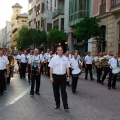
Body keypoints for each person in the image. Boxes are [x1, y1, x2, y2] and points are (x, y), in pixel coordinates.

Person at [48, 46, 70, 110]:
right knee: (56, 91)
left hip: (63, 76)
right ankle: (57, 104)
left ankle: (65, 105)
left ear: (63, 51)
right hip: (55, 76)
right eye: (58, 50)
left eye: (61, 50)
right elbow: (51, 68)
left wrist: (68, 76)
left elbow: (67, 68)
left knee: (63, 91)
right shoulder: (53, 58)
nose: (60, 51)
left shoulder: (66, 58)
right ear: (56, 51)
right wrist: (51, 77)